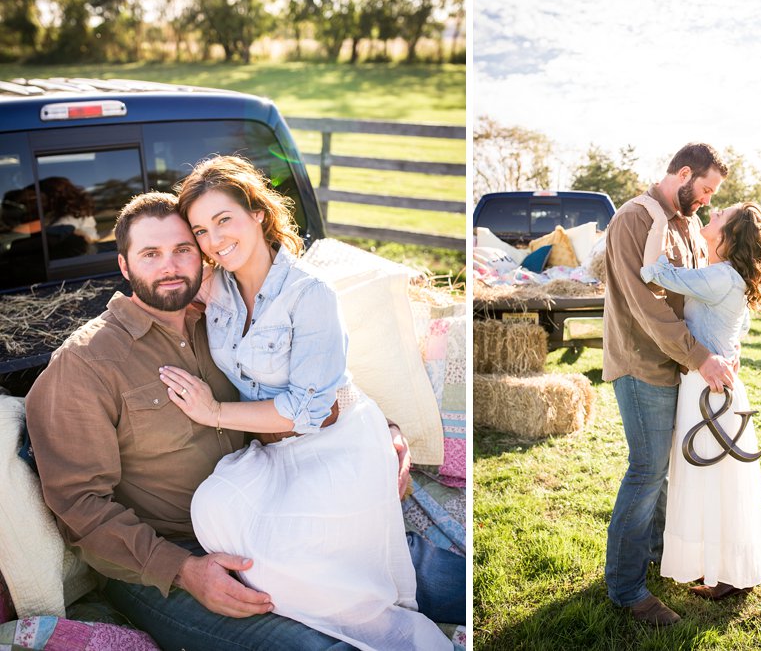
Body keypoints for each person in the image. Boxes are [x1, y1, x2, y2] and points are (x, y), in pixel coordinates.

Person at [25, 192, 459, 651]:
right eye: (151, 254)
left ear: (203, 255)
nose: (169, 265)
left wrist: (384, 429)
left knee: (423, 572)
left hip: (278, 507)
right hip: (174, 557)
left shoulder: (223, 320)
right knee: (314, 647)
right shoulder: (84, 364)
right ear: (125, 265)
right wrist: (185, 572)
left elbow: (308, 382)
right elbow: (80, 508)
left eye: (183, 249)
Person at [160, 154, 450, 650]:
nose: (213, 240)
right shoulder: (217, 287)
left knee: (304, 555)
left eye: (223, 220)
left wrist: (213, 413)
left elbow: (308, 410)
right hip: (275, 450)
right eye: (201, 230)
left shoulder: (310, 295)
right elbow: (157, 274)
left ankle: (380, 621)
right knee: (215, 511)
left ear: (258, 213)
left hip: (336, 441)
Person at [602, 142, 736, 625]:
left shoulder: (688, 224)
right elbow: (647, 304)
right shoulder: (633, 219)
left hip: (678, 366)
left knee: (664, 473)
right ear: (683, 174)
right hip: (642, 365)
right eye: (704, 189)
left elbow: (695, 291)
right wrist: (700, 356)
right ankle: (626, 588)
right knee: (645, 473)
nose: (706, 199)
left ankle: (659, 557)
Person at [637, 196, 761, 600]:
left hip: (709, 387)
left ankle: (729, 572)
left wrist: (658, 216)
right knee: (715, 479)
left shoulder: (720, 277)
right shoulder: (724, 274)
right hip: (714, 382)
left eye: (722, 214)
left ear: (730, 235)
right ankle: (724, 570)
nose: (712, 214)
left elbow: (653, 271)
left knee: (713, 479)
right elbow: (740, 324)